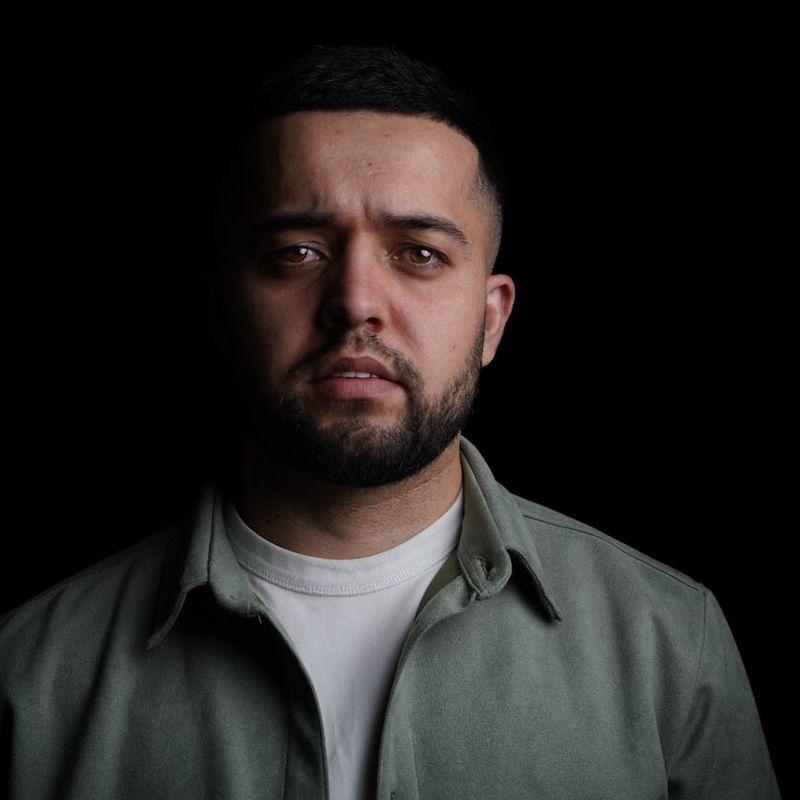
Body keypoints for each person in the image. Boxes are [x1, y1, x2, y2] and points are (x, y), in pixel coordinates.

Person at [0, 43, 780, 800]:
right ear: (220, 312)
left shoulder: (670, 641)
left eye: (418, 253)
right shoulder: (28, 673)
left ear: (491, 319)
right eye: (297, 252)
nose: (355, 302)